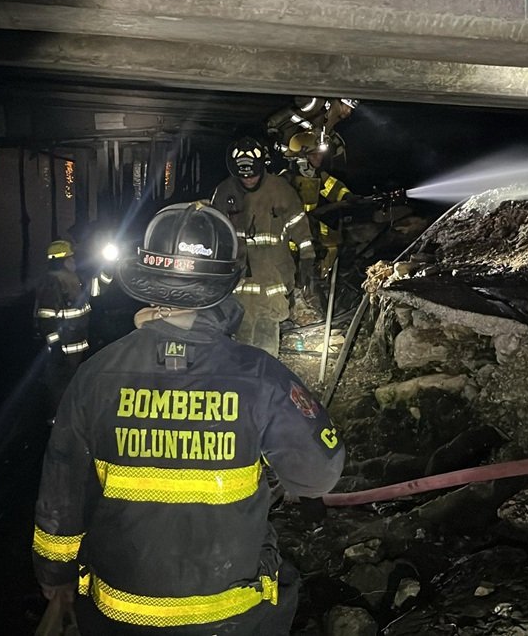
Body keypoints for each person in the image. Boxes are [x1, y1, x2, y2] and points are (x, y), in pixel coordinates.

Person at [31, 202, 346, 635]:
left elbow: (61, 495)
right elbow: (318, 477)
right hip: (234, 618)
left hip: (120, 615)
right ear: (225, 284)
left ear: (146, 281)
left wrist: (54, 577)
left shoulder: (94, 375)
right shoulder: (259, 375)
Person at [211, 136, 317, 356]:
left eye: (253, 175)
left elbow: (298, 224)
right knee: (239, 336)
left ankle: (266, 377)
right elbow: (215, 231)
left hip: (273, 276)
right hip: (238, 279)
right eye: (243, 176)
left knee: (267, 338)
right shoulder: (224, 192)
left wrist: (307, 257)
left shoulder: (280, 190)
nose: (249, 180)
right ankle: (240, 381)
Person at [283, 130, 362, 279]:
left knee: (333, 243)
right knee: (295, 254)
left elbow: (334, 188)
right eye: (314, 154)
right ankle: (300, 283)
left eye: (319, 153)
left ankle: (321, 279)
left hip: (311, 222)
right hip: (291, 228)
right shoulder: (286, 178)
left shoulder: (318, 175)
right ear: (301, 157)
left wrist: (348, 196)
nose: (319, 157)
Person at [34, 239, 92, 415]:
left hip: (78, 345)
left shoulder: (76, 279)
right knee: (60, 388)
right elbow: (46, 317)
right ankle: (57, 424)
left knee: (76, 386)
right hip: (64, 349)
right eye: (70, 258)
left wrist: (109, 268)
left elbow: (97, 290)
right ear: (62, 261)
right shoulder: (52, 283)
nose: (74, 261)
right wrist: (55, 346)